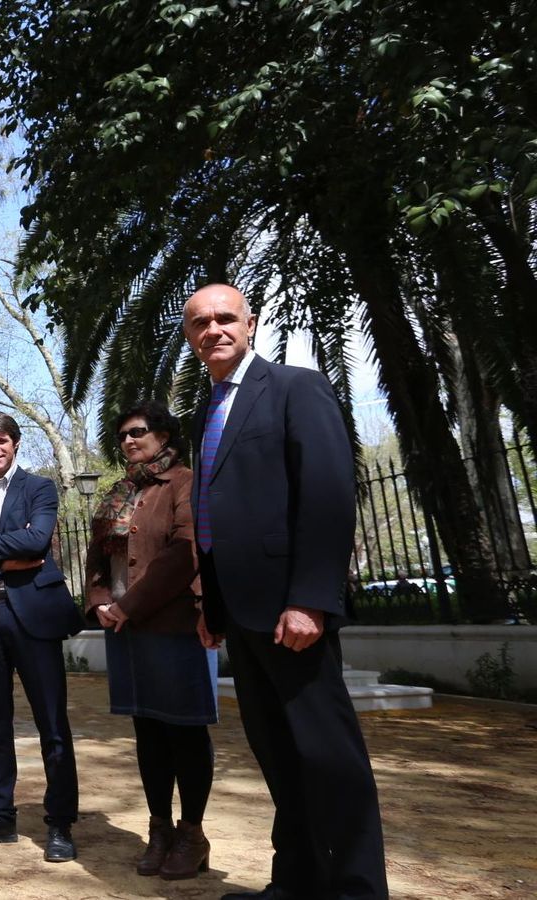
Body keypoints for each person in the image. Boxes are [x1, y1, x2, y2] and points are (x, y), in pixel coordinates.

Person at [184, 283, 386, 900]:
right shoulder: (206, 412)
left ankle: (355, 889)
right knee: (277, 754)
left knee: (328, 757)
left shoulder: (297, 388)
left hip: (290, 610)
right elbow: (214, 510)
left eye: (225, 318)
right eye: (199, 323)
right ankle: (296, 881)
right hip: (239, 615)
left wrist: (311, 599)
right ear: (190, 337)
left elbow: (327, 495)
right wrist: (210, 604)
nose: (213, 329)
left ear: (251, 324)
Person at [82, 401, 216, 879]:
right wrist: (100, 601)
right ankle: (159, 828)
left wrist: (128, 605)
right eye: (121, 436)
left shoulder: (183, 481)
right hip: (124, 629)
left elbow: (185, 555)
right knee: (148, 734)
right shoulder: (119, 492)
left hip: (174, 627)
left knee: (185, 732)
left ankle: (192, 834)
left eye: (137, 432)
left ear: (162, 434)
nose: (128, 442)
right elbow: (97, 556)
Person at [0, 411, 85, 862]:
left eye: (1, 440)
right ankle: (0, 814)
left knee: (52, 724)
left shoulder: (39, 487)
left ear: (16, 443)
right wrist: (5, 550)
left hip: (33, 617)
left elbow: (38, 541)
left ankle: (60, 822)